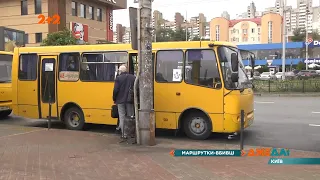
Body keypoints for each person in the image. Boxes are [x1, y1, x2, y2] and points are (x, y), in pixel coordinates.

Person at [112, 65, 135, 140]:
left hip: (120, 101)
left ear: (120, 71)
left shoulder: (118, 78)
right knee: (130, 116)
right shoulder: (132, 77)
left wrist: (114, 99)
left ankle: (124, 134)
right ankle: (131, 134)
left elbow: (115, 90)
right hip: (130, 100)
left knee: (122, 117)